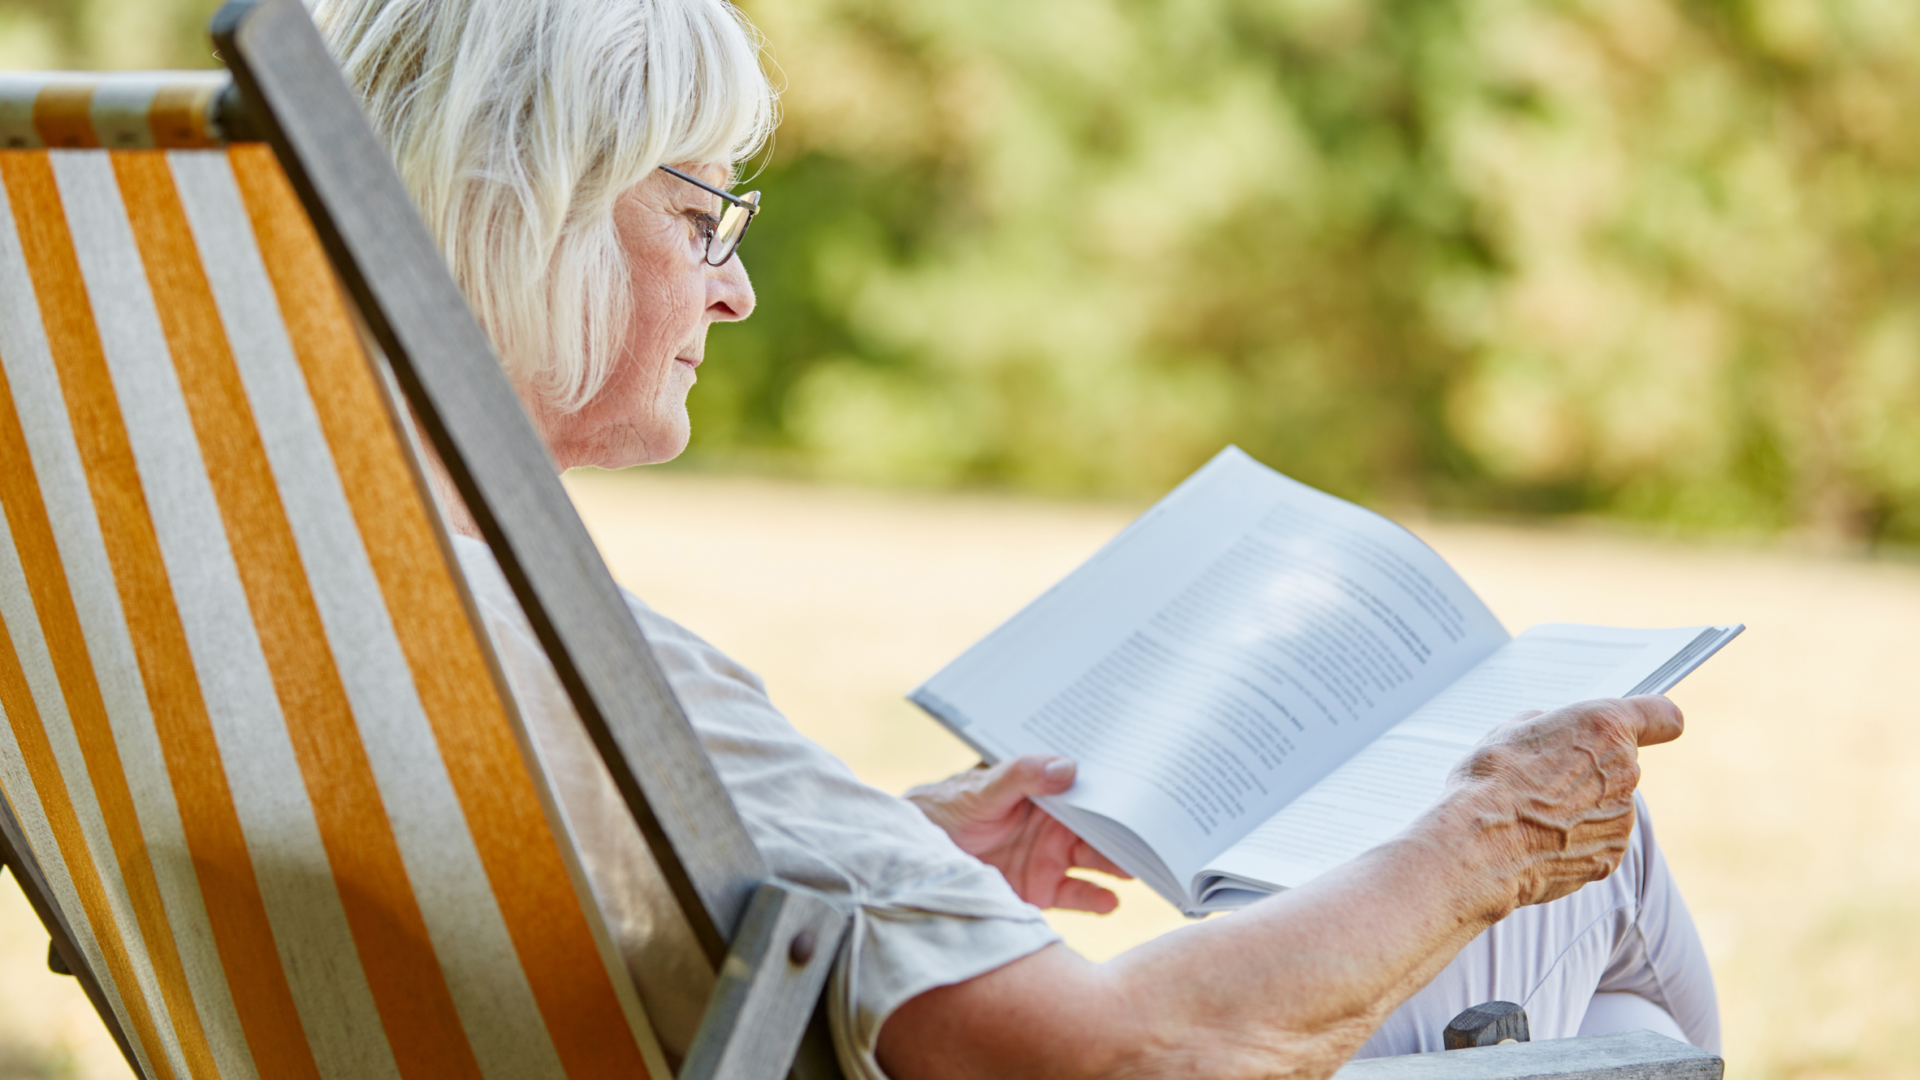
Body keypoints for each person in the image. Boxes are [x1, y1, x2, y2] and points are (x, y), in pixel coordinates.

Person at [313, 0, 1720, 1076]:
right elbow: (1114, 1058)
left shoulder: (297, 611)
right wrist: (1486, 838)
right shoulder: (574, 664)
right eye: (701, 215)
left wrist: (860, 874)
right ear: (525, 219)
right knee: (1592, 897)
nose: (731, 293)